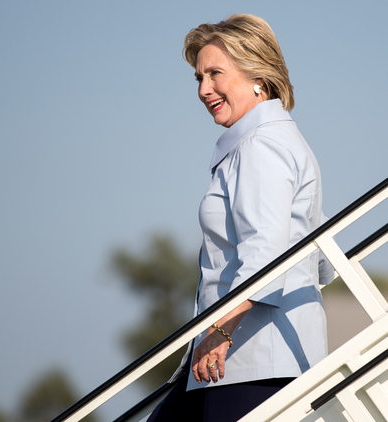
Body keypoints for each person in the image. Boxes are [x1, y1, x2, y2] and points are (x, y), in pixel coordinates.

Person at [147, 14, 333, 422]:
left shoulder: (261, 146)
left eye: (215, 73)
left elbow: (265, 252)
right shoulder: (271, 141)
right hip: (228, 360)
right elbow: (317, 261)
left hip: (252, 362)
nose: (203, 89)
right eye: (198, 77)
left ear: (258, 77)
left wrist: (221, 331)